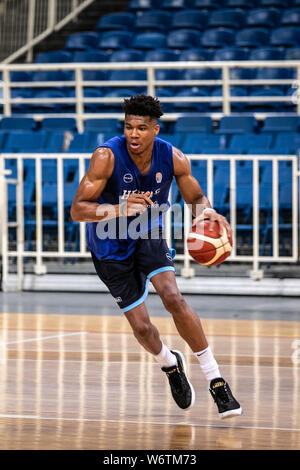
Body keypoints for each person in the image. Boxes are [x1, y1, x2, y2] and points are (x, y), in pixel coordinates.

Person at [71, 94, 242, 419]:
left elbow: (195, 197)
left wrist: (208, 214)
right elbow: (77, 209)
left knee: (172, 297)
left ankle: (216, 380)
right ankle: (169, 362)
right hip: (109, 247)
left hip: (148, 236)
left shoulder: (173, 157)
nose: (134, 134)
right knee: (143, 329)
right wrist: (117, 209)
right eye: (129, 127)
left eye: (142, 128)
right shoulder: (106, 156)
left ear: (155, 129)